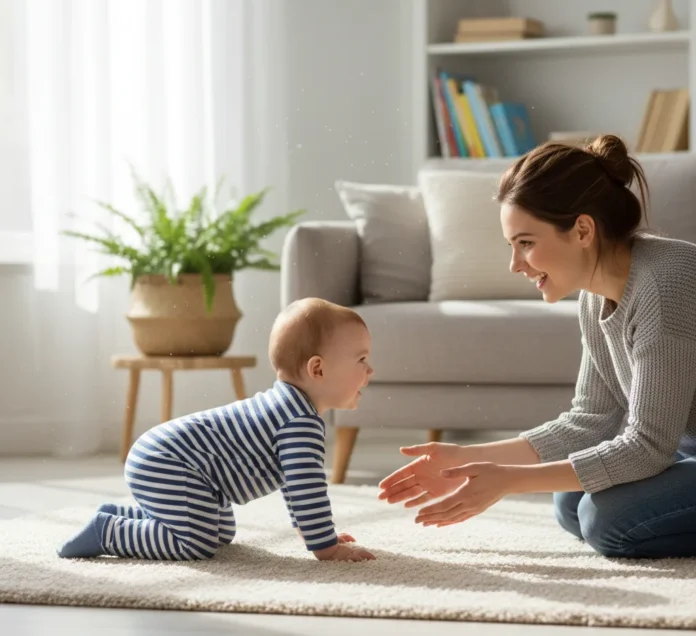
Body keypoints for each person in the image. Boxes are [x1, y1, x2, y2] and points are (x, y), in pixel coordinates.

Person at [378, 134, 696, 559]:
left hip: (673, 445)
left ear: (582, 229)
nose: (515, 264)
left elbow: (646, 448)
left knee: (607, 520)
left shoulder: (665, 285)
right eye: (512, 246)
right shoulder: (594, 295)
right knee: (569, 504)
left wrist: (507, 479)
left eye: (526, 243)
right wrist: (464, 458)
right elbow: (590, 420)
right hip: (686, 444)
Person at [57, 297, 376, 562]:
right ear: (317, 369)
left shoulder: (292, 411)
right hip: (167, 461)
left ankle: (122, 515)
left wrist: (316, 533)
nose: (370, 370)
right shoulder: (299, 422)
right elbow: (307, 489)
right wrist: (327, 548)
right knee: (196, 544)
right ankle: (107, 532)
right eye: (361, 359)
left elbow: (297, 487)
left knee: (221, 534)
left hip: (182, 466)